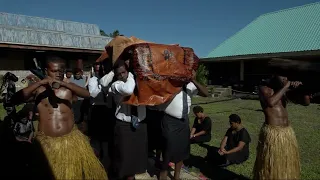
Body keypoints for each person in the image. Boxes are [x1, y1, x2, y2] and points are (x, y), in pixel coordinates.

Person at [11, 56, 107, 180]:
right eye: (54, 71)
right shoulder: (38, 90)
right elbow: (15, 99)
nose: (58, 74)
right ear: (46, 71)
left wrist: (64, 83)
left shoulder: (69, 88)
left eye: (60, 71)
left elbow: (87, 94)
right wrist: (40, 82)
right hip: (48, 143)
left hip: (70, 140)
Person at [158, 71, 209, 180]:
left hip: (183, 122)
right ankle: (163, 174)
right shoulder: (169, 84)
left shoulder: (190, 86)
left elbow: (206, 93)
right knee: (168, 149)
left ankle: (176, 176)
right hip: (169, 121)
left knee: (182, 150)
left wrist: (194, 80)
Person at [253, 75, 302, 180]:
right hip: (274, 134)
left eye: (287, 77)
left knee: (286, 163)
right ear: (274, 76)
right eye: (283, 77)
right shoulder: (264, 88)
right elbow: (271, 102)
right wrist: (286, 87)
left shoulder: (283, 90)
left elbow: (306, 102)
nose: (286, 79)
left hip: (287, 132)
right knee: (272, 163)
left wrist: (299, 88)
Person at [108, 60, 147, 180]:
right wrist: (130, 74)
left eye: (123, 72)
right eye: (118, 74)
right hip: (124, 126)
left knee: (136, 158)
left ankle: (132, 176)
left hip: (139, 124)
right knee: (124, 159)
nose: (121, 76)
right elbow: (129, 90)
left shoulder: (139, 82)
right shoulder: (116, 85)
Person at [88, 62, 115, 173]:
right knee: (96, 141)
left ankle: (106, 166)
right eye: (99, 68)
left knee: (107, 141)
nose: (101, 70)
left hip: (109, 112)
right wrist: (104, 89)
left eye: (103, 68)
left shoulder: (111, 80)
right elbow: (93, 94)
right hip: (97, 112)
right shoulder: (93, 80)